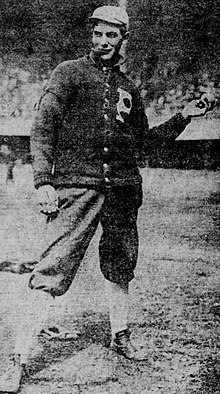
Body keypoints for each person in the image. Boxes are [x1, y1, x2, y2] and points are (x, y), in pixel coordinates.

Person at [0, 5, 215, 393]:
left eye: (111, 35)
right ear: (91, 34)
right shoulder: (67, 73)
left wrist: (184, 116)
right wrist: (43, 181)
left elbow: (144, 143)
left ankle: (120, 335)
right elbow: (43, 128)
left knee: (119, 265)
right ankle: (18, 359)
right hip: (76, 187)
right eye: (97, 34)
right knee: (52, 269)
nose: (102, 41)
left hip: (121, 189)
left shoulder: (128, 87)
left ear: (123, 39)